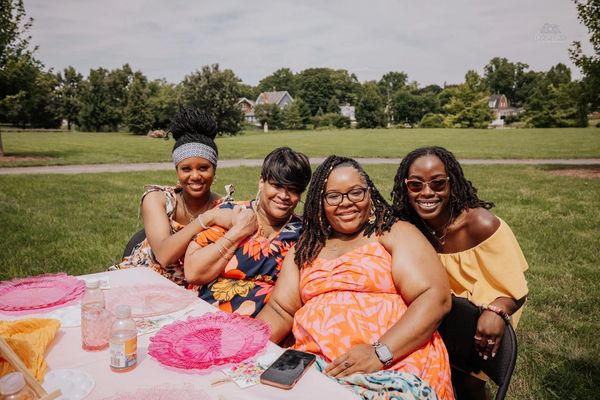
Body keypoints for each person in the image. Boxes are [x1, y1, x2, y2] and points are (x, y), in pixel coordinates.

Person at [257, 156, 454, 400]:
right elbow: (280, 310)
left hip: (395, 361)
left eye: (355, 193)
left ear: (369, 194)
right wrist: (246, 343)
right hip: (320, 369)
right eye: (334, 196)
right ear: (320, 201)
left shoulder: (392, 232)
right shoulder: (306, 247)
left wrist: (379, 352)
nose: (346, 203)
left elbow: (434, 297)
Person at [391, 146, 528, 400]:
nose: (427, 193)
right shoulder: (411, 227)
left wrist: (498, 310)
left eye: (438, 183)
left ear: (452, 183)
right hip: (441, 311)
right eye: (416, 185)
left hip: (482, 317)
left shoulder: (481, 224)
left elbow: (516, 288)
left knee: (468, 385)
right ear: (405, 187)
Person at [184, 147, 312, 317]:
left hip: (266, 324)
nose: (284, 195)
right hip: (206, 314)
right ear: (261, 182)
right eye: (277, 185)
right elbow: (193, 272)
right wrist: (238, 231)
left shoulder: (303, 232)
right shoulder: (231, 214)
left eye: (294, 189)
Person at [111, 107, 230, 288]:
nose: (195, 176)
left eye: (203, 168)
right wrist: (206, 219)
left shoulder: (224, 206)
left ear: (214, 170)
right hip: (145, 278)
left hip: (197, 287)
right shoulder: (157, 199)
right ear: (177, 171)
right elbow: (164, 256)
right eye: (186, 169)